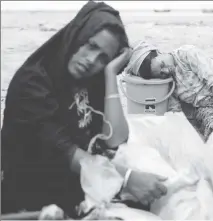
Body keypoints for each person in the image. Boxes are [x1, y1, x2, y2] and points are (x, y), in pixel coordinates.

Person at [1, 1, 167, 215]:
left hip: (77, 188)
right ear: (76, 35)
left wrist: (109, 75)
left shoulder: (90, 79)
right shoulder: (33, 84)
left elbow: (115, 140)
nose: (91, 60)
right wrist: (126, 179)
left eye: (102, 58)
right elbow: (65, 152)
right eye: (91, 46)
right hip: (33, 200)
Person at [124, 41, 213, 140]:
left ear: (158, 53)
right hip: (205, 107)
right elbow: (177, 111)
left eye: (162, 65)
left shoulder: (186, 54)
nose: (166, 71)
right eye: (160, 74)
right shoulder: (169, 83)